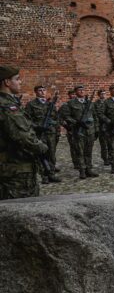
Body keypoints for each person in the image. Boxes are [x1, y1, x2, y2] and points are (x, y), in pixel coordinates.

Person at [0, 66, 49, 199]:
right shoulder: (7, 106)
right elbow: (22, 136)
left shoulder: (10, 103)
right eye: (17, 79)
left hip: (10, 167)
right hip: (16, 168)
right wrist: (43, 147)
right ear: (7, 82)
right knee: (22, 209)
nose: (20, 82)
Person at [24, 85, 62, 183]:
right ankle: (44, 176)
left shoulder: (50, 104)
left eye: (44, 90)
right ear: (35, 92)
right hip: (39, 133)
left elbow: (56, 119)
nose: (42, 92)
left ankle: (51, 174)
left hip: (51, 133)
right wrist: (37, 127)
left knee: (52, 154)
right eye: (39, 90)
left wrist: (57, 131)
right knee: (41, 154)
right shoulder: (31, 105)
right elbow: (27, 120)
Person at [62, 85, 99, 179]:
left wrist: (96, 130)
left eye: (83, 90)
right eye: (79, 90)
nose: (82, 91)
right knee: (79, 151)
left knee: (88, 151)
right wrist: (76, 122)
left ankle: (89, 169)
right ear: (76, 92)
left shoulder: (90, 103)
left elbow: (95, 116)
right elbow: (66, 116)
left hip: (89, 130)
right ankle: (82, 170)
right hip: (78, 131)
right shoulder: (70, 103)